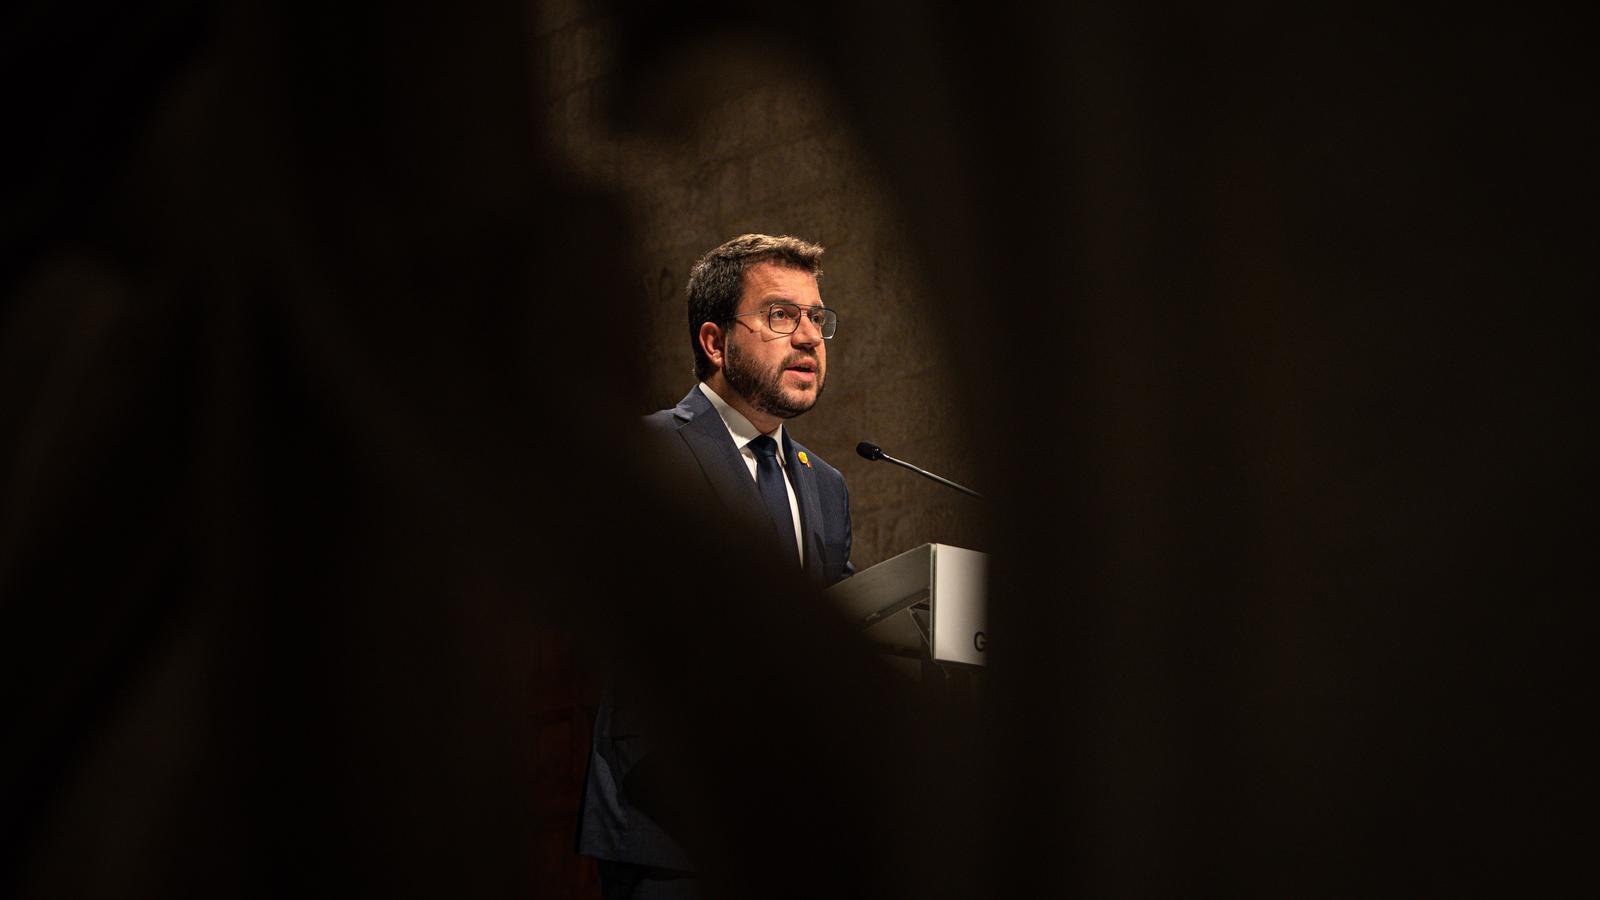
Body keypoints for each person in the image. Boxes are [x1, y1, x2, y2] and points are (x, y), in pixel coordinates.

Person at [577, 234, 854, 899]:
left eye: (817, 317)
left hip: (797, 836)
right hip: (674, 827)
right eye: (782, 316)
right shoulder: (646, 453)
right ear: (714, 340)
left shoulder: (827, 485)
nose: (810, 337)